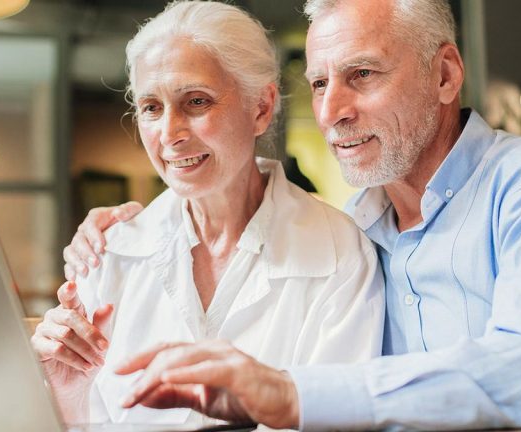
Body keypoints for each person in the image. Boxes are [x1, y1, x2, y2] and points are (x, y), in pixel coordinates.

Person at [65, 0, 521, 429]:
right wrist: (133, 227)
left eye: (361, 75)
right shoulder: (357, 226)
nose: (332, 112)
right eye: (319, 83)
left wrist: (290, 394)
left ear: (445, 74)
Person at [32, 1, 384, 425]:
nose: (169, 135)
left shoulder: (340, 252)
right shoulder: (108, 254)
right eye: (151, 107)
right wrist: (66, 394)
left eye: (196, 101)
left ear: (261, 107)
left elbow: (336, 421)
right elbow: (85, 423)